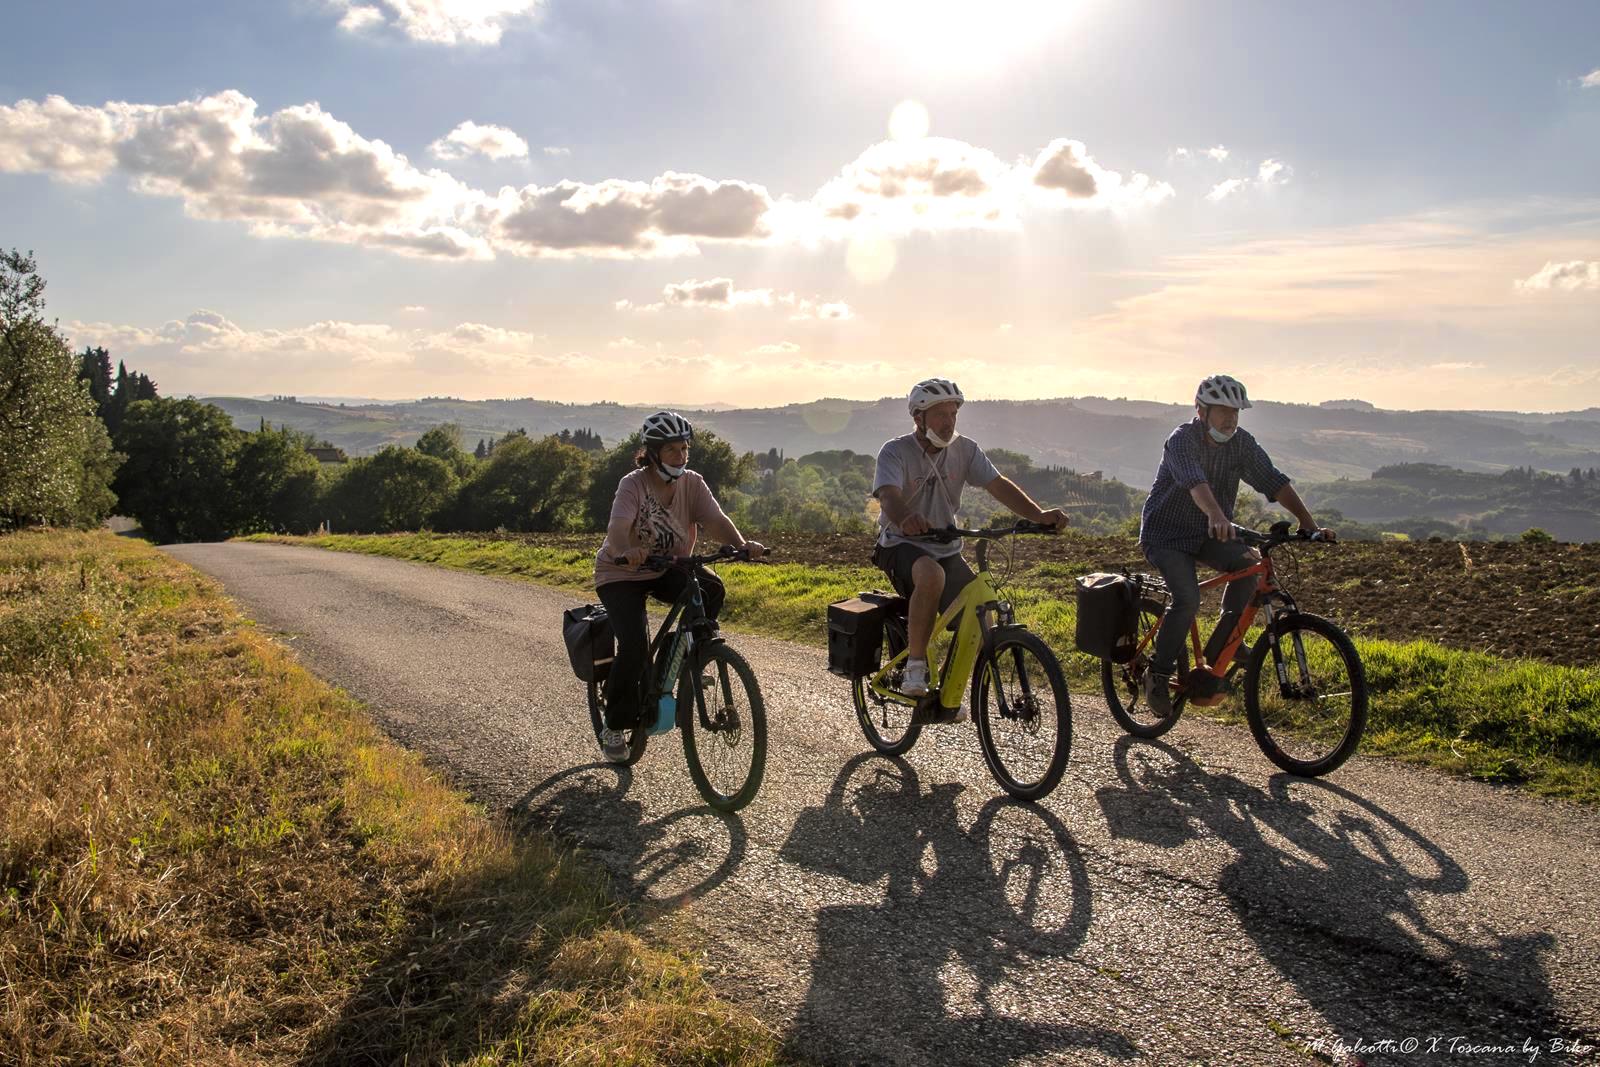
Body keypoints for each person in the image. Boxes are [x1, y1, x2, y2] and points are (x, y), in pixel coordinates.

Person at [1137, 374, 1335, 715]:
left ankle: (1221, 647)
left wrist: (1308, 523)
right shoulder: (1182, 440)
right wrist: (1216, 513)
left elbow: (1273, 481)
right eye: (1223, 412)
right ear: (1202, 411)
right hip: (1166, 534)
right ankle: (1157, 674)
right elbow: (1194, 481)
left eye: (1236, 412)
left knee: (1250, 568)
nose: (1230, 419)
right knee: (1187, 598)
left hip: (1210, 533)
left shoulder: (1241, 443)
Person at [871, 378, 1068, 709]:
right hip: (900, 544)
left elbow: (997, 484)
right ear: (918, 418)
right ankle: (915, 669)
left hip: (945, 545)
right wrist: (906, 517)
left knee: (979, 622)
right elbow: (888, 495)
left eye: (953, 414)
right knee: (931, 576)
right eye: (940, 415)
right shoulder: (895, 451)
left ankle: (945, 690)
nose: (949, 423)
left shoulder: (965, 450)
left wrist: (1038, 515)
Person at [593, 411, 764, 761]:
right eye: (672, 450)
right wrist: (627, 550)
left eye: (685, 449)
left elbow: (716, 520)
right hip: (622, 572)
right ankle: (614, 724)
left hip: (666, 567)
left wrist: (741, 544)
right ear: (653, 452)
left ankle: (684, 659)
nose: (681, 456)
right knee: (634, 644)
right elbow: (618, 526)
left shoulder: (693, 483)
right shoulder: (633, 484)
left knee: (711, 590)